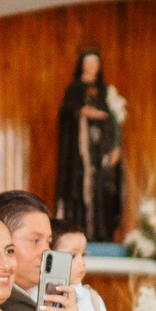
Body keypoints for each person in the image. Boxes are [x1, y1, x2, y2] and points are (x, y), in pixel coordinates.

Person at [56, 47, 127, 241]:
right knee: (80, 191)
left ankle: (103, 234)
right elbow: (66, 115)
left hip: (102, 153)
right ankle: (80, 232)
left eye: (95, 63)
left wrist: (115, 147)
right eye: (88, 63)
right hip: (80, 156)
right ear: (82, 66)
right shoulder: (73, 89)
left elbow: (115, 122)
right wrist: (81, 112)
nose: (91, 67)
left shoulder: (107, 91)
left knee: (104, 191)